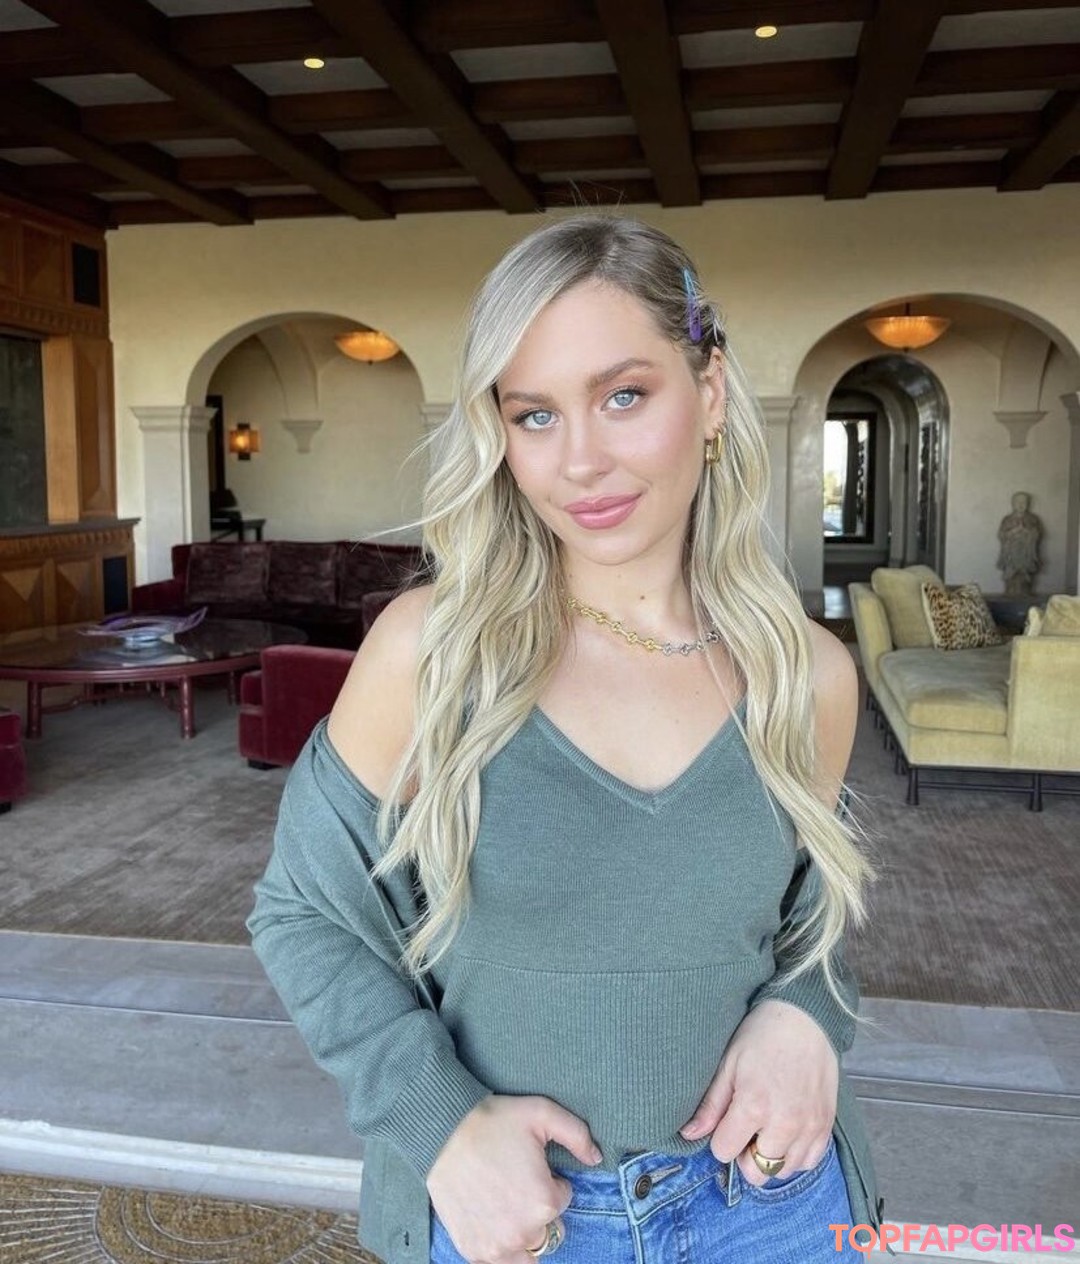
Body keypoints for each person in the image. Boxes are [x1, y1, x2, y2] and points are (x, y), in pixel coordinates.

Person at [248, 214, 888, 1264]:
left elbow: (808, 928)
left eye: (624, 395)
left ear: (710, 392)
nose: (581, 460)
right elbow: (303, 913)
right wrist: (440, 1122)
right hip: (521, 1215)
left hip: (772, 1204)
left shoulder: (804, 676)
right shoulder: (433, 654)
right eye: (535, 415)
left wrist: (810, 1015)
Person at [996, 490, 1042, 596]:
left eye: (1024, 502)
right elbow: (1001, 535)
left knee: (1025, 576)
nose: (1021, 505)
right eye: (1018, 502)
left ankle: (1025, 591)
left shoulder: (1032, 519)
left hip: (1026, 553)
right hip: (1011, 553)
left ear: (1028, 504)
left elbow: (1037, 534)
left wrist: (1026, 531)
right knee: (1011, 575)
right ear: (1013, 504)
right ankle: (1010, 591)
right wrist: (1013, 532)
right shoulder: (1007, 519)